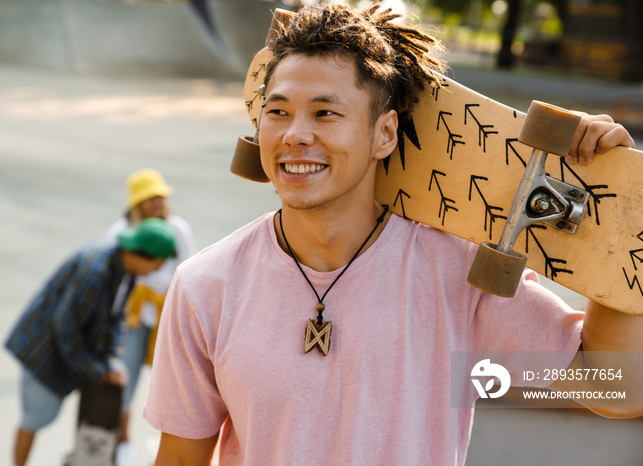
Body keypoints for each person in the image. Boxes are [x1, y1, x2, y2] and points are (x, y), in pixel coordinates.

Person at [143, 3, 642, 465]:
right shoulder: (206, 286)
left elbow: (620, 390)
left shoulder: (459, 275)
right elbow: (182, 459)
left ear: (384, 133)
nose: (295, 133)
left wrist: (616, 229)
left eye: (324, 112)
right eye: (277, 112)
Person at [5, 218, 177, 466]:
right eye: (158, 264)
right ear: (143, 255)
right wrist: (97, 369)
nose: (157, 271)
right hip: (43, 352)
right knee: (36, 418)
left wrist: (110, 360)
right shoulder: (94, 271)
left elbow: (117, 316)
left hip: (73, 351)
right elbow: (64, 330)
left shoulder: (124, 270)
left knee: (97, 400)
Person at [104, 168, 197, 466]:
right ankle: (121, 442)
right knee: (124, 380)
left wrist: (156, 290)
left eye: (161, 198)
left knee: (176, 382)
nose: (157, 204)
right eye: (149, 200)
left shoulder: (178, 228)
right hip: (132, 320)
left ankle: (171, 438)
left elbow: (190, 272)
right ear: (136, 203)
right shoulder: (120, 232)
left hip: (169, 317)